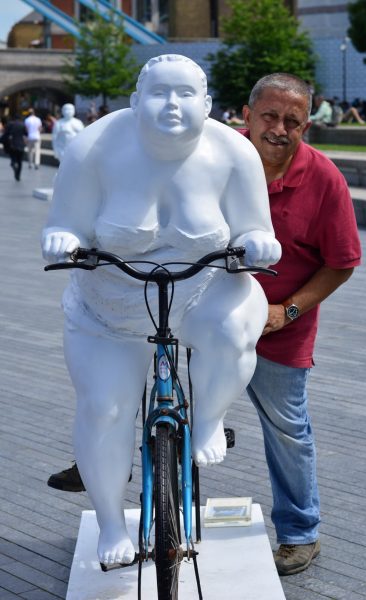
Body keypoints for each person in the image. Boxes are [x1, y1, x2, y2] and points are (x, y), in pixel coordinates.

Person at [41, 54, 281, 568]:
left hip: (202, 290)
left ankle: (211, 419)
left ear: (207, 104)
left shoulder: (234, 152)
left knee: (237, 326)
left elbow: (256, 230)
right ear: (134, 101)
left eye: (185, 94)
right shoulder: (95, 148)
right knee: (104, 409)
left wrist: (260, 243)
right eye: (159, 93)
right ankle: (110, 522)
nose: (172, 104)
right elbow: (62, 225)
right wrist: (62, 238)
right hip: (109, 303)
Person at [241, 73, 361, 576]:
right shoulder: (216, 157)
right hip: (202, 317)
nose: (279, 128)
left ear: (306, 125)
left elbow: (342, 261)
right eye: (269, 115)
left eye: (293, 120)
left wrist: (286, 311)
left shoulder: (325, 178)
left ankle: (300, 534)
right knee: (158, 403)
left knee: (288, 433)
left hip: (278, 327)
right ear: (246, 115)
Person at [1, 113, 27, 181]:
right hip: (21, 145)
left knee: (13, 159)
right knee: (20, 161)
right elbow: (26, 134)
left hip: (12, 145)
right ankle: (18, 175)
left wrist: (1, 140)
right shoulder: (22, 124)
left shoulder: (10, 124)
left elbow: (6, 134)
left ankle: (14, 166)